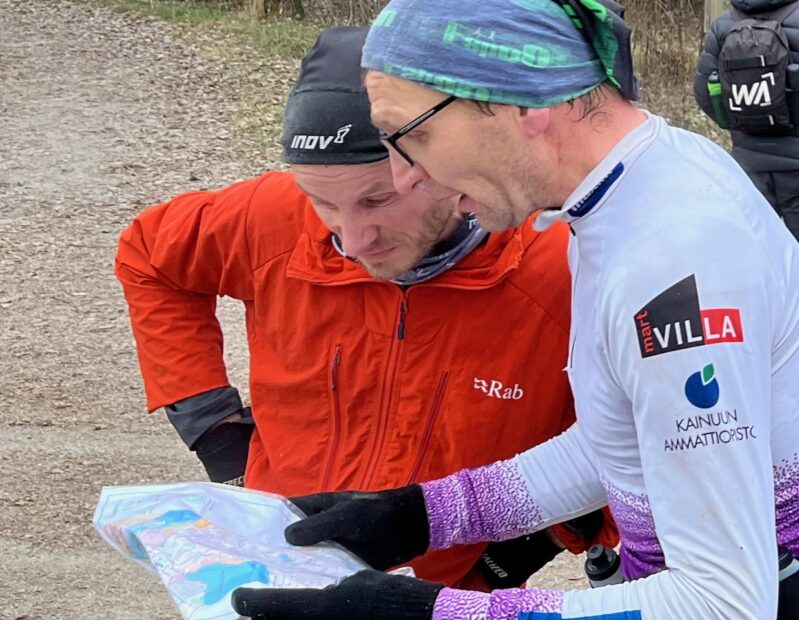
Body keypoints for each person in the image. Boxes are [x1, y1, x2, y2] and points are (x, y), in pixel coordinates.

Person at [231, 2, 799, 619]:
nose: (406, 177)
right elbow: (630, 441)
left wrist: (437, 612)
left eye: (416, 136)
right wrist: (423, 514)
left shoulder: (671, 260)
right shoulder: (636, 188)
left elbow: (725, 602)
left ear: (516, 101)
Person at [115, 26, 614, 593]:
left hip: (441, 595)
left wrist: (515, 559)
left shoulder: (567, 266)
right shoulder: (271, 217)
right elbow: (149, 254)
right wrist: (213, 430)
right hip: (275, 571)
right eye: (321, 201)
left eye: (378, 200)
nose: (351, 240)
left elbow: (641, 438)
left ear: (451, 163)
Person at [694, 0, 799, 378]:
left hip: (747, 166)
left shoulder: (725, 23)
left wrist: (738, 127)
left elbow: (704, 92)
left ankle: (753, 349)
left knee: (752, 256)